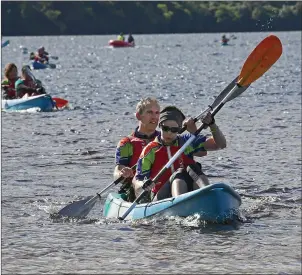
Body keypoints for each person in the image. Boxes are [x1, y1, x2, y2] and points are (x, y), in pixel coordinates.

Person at [133, 106, 227, 202]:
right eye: (165, 128)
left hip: (186, 189)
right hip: (160, 196)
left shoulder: (186, 142)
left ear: (179, 130)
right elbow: (137, 181)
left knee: (193, 167)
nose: (169, 133)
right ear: (160, 126)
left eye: (174, 130)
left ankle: (208, 194)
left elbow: (221, 144)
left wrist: (212, 125)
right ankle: (180, 203)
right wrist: (144, 184)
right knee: (179, 172)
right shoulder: (150, 150)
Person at [114, 97, 161, 202]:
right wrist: (122, 173)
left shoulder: (165, 139)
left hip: (161, 184)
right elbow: (117, 171)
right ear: (138, 116)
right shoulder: (127, 143)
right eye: (150, 112)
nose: (154, 117)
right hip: (136, 189)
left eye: (157, 113)